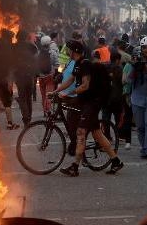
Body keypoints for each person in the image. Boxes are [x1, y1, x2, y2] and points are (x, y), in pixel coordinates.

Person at [52, 40, 123, 176]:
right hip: (86, 101)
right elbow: (70, 80)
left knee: (81, 132)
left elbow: (85, 85)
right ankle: (116, 161)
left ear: (75, 52)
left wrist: (68, 93)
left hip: (93, 102)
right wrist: (56, 91)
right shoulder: (77, 64)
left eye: (69, 50)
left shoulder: (85, 64)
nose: (67, 52)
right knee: (97, 133)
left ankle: (74, 167)